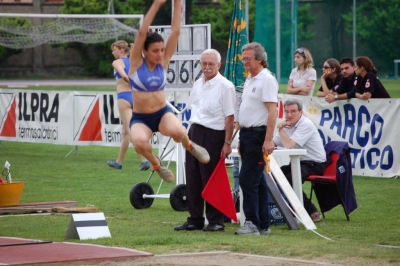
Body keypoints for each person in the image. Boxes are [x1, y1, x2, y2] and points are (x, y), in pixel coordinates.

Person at [127, 0, 210, 183]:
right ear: (145, 52)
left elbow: (176, 31)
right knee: (139, 143)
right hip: (141, 117)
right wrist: (157, 4)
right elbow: (142, 32)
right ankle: (157, 165)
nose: (160, 54)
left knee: (179, 131)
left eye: (162, 50)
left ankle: (190, 145)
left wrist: (178, 3)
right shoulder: (135, 64)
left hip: (162, 113)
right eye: (155, 51)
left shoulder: (163, 62)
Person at [174, 49, 236, 232]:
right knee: (193, 176)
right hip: (194, 131)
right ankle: (195, 218)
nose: (207, 67)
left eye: (211, 64)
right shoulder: (198, 84)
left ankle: (216, 220)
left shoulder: (225, 86)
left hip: (213, 134)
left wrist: (227, 143)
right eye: (204, 64)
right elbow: (194, 109)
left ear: (219, 65)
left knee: (211, 177)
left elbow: (230, 117)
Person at [235, 42, 278, 236]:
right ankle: (263, 224)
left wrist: (268, 140)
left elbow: (272, 111)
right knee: (258, 180)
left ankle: (251, 221)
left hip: (258, 134)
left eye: (248, 59)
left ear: (259, 59)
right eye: (243, 58)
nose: (244, 62)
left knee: (247, 179)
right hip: (247, 135)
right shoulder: (250, 79)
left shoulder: (266, 80)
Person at [273, 99, 326, 222]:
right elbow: (273, 142)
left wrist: (280, 129)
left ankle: (311, 211)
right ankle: (288, 210)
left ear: (301, 112)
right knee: (275, 175)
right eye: (287, 112)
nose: (289, 115)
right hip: (299, 162)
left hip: (315, 163)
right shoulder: (286, 124)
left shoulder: (305, 124)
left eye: (293, 111)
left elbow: (289, 144)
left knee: (291, 179)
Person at [107, 40, 150, 171]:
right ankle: (119, 163)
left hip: (124, 98)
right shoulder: (133, 61)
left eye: (114, 50)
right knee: (126, 131)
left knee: (130, 130)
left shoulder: (117, 62)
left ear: (121, 50)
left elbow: (124, 75)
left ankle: (144, 159)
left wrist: (128, 80)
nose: (113, 52)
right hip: (135, 97)